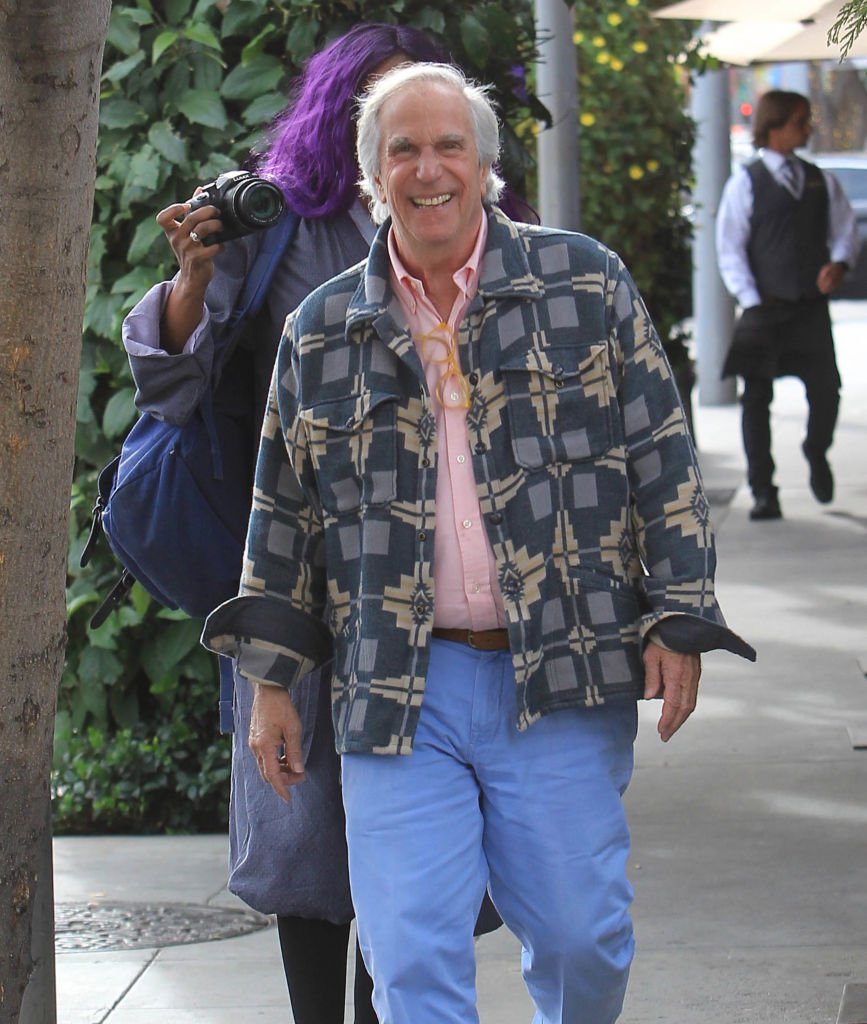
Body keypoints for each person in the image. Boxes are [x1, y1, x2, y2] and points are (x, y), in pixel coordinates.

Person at [203, 63, 755, 1023]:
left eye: (447, 145)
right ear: (372, 174)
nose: (427, 169)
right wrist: (269, 686)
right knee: (411, 957)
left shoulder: (584, 283)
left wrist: (677, 615)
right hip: (394, 686)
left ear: (485, 164)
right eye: (402, 149)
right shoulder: (321, 327)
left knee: (583, 940)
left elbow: (661, 461)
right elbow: (281, 519)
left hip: (562, 671)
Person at [121, 24, 453, 1024]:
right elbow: (173, 377)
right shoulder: (275, 228)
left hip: (440, 559)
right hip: (294, 557)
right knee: (304, 814)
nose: (409, 138)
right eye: (382, 109)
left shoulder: (462, 217)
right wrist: (190, 276)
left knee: (418, 814)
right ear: (339, 114)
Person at [716, 89, 860, 521]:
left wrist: (839, 263)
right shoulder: (746, 181)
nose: (808, 128)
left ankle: (816, 451)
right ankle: (764, 490)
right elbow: (730, 247)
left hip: (810, 310)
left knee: (826, 391)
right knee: (756, 399)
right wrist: (752, 300)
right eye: (800, 120)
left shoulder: (820, 180)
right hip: (764, 309)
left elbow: (845, 231)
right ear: (775, 125)